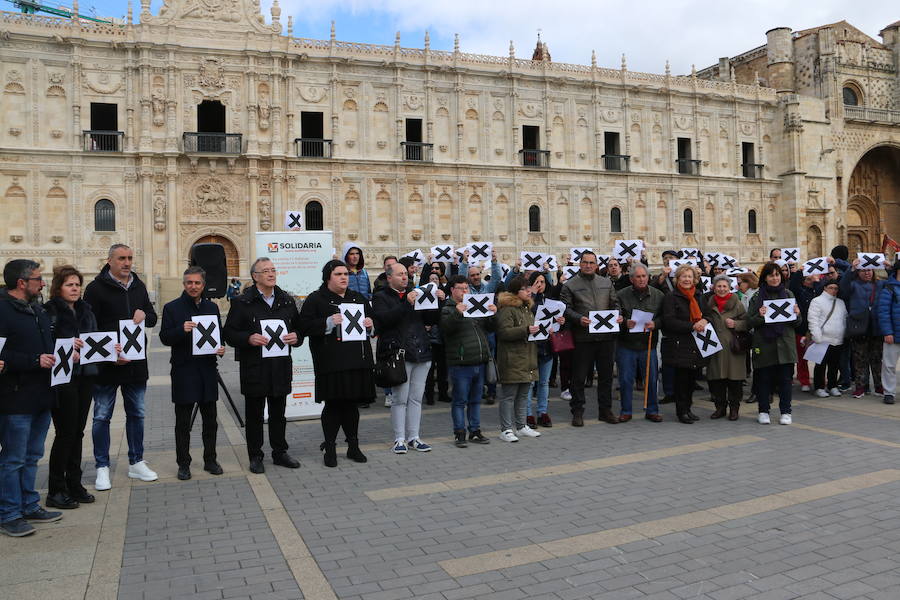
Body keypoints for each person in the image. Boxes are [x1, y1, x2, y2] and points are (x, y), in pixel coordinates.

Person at [84, 244, 158, 490]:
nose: (127, 263)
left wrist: (144, 314)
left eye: (129, 258)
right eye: (121, 259)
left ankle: (136, 462)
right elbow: (89, 328)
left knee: (137, 414)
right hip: (108, 365)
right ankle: (102, 467)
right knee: (101, 416)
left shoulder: (139, 285)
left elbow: (152, 315)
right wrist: (107, 354)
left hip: (135, 365)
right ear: (110, 261)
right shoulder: (95, 289)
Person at [0, 259, 62, 537]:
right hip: (15, 397)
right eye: (38, 279)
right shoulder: (2, 311)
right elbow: (2, 356)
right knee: (13, 458)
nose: (43, 283)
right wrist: (34, 360)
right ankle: (9, 513)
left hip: (41, 395)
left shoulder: (36, 309)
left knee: (33, 455)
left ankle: (29, 504)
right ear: (22, 283)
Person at [223, 257, 302, 474]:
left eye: (273, 270)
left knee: (279, 413)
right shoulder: (243, 302)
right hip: (255, 368)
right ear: (255, 277)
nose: (271, 274)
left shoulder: (286, 301)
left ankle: (280, 452)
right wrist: (248, 338)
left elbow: (299, 329)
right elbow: (229, 333)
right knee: (255, 415)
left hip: (280, 366)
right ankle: (255, 455)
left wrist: (297, 337)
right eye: (266, 271)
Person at [297, 260, 375, 467]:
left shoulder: (357, 298)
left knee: (351, 405)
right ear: (328, 277)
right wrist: (327, 322)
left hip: (357, 360)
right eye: (338, 274)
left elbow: (372, 321)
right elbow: (303, 326)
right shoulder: (316, 299)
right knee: (333, 405)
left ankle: (353, 446)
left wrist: (371, 324)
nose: (343, 278)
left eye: (346, 274)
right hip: (330, 361)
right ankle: (330, 448)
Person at [159, 266, 226, 481]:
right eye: (189, 282)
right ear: (184, 284)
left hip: (207, 369)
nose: (193, 286)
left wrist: (221, 347)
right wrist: (181, 329)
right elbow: (164, 337)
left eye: (197, 283)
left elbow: (218, 335)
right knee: (183, 422)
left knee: (210, 420)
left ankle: (210, 459)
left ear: (203, 285)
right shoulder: (172, 308)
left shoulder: (212, 308)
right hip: (184, 370)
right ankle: (183, 463)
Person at [43, 265, 100, 509]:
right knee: (65, 433)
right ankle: (56, 489)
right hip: (62, 379)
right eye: (69, 284)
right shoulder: (49, 312)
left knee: (78, 432)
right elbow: (44, 344)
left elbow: (95, 338)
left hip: (85, 376)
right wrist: (67, 349)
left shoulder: (86, 310)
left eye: (77, 284)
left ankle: (74, 483)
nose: (75, 288)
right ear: (59, 287)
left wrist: (108, 349)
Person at [372, 262, 444, 454]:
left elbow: (430, 320)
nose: (405, 277)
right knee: (400, 398)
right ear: (389, 278)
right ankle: (399, 439)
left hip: (421, 350)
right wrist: (406, 303)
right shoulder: (381, 296)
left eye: (406, 274)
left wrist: (438, 301)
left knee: (415, 398)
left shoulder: (416, 292)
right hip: (399, 353)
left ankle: (414, 437)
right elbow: (385, 320)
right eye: (400, 274)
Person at [560, 250, 622, 426]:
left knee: (606, 376)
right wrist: (578, 319)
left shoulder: (606, 282)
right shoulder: (570, 285)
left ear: (596, 265)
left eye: (591, 263)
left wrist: (618, 315)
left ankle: (605, 410)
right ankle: (577, 411)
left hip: (606, 337)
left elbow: (615, 303)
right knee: (578, 377)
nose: (588, 265)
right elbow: (565, 308)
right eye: (585, 262)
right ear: (580, 264)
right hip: (582, 338)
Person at [441, 275, 495, 448]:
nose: (465, 291)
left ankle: (475, 431)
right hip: (461, 362)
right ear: (452, 290)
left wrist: (493, 314)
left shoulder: (474, 306)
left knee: (475, 400)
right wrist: (458, 312)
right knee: (459, 400)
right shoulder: (448, 308)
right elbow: (447, 328)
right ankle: (459, 433)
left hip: (479, 360)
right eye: (461, 288)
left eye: (467, 288)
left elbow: (490, 328)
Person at [746, 262, 803, 424]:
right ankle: (763, 410)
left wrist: (797, 314)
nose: (775, 278)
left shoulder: (788, 293)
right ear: (765, 278)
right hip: (764, 344)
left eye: (777, 274)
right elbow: (749, 322)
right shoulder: (757, 297)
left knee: (786, 380)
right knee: (763, 380)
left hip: (785, 344)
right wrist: (760, 315)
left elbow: (797, 323)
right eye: (771, 275)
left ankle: (786, 411)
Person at [616, 263, 665, 422]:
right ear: (631, 279)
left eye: (644, 276)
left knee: (651, 379)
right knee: (625, 379)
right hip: (626, 345)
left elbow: (665, 317)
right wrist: (625, 323)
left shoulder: (659, 295)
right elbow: (616, 316)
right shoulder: (621, 295)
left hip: (648, 345)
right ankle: (626, 410)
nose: (641, 279)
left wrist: (655, 324)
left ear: (648, 277)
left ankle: (652, 410)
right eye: (638, 276)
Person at [660, 265, 709, 424]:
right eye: (684, 276)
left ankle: (688, 408)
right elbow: (669, 321)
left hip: (696, 343)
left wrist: (704, 320)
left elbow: (708, 314)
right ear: (678, 279)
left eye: (690, 276)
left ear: (694, 279)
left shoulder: (699, 295)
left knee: (691, 380)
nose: (687, 279)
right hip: (680, 343)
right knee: (681, 380)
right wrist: (691, 326)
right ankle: (681, 411)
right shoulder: (671, 297)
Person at [496, 276, 540, 442]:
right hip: (512, 358)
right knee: (508, 396)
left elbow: (531, 330)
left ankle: (521, 426)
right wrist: (526, 330)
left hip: (527, 357)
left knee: (523, 395)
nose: (528, 291)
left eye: (528, 288)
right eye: (524, 289)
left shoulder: (526, 308)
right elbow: (504, 332)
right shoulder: (508, 309)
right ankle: (506, 429)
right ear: (515, 292)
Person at [705, 274, 749, 421]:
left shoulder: (737, 303)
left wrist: (736, 324)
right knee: (717, 381)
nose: (722, 289)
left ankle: (734, 409)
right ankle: (720, 408)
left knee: (734, 381)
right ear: (714, 287)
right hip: (715, 348)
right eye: (719, 286)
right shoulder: (709, 303)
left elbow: (747, 323)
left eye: (724, 286)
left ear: (729, 288)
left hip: (733, 349)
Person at [840, 257, 885, 398]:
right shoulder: (853, 285)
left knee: (877, 359)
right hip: (859, 327)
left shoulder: (880, 284)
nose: (867, 273)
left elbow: (895, 283)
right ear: (858, 272)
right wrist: (850, 269)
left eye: (870, 270)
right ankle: (860, 387)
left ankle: (879, 386)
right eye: (864, 270)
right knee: (860, 359)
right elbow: (843, 288)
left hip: (876, 327)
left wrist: (890, 268)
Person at [525, 271, 564, 428]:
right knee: (530, 383)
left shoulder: (551, 302)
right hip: (532, 347)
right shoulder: (526, 301)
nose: (540, 284)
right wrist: (531, 295)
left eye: (542, 281)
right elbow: (525, 315)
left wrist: (561, 321)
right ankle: (528, 414)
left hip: (547, 346)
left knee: (544, 382)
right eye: (537, 281)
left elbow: (555, 322)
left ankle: (542, 412)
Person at [807, 279, 847, 398]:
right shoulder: (817, 301)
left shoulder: (840, 302)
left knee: (834, 365)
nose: (833, 290)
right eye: (831, 288)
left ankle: (832, 386)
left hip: (837, 339)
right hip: (823, 339)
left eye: (835, 288)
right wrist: (817, 336)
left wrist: (843, 333)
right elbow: (813, 319)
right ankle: (819, 387)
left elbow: (844, 318)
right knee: (820, 365)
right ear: (825, 288)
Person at [424, 272, 450, 405]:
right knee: (429, 369)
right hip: (429, 338)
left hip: (442, 338)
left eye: (436, 279)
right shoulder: (424, 297)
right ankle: (429, 395)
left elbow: (445, 315)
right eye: (431, 279)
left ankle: (443, 393)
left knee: (442, 368)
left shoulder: (444, 297)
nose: (434, 281)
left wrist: (443, 299)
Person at [877, 259, 899, 405]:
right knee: (889, 365)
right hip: (893, 334)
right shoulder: (889, 288)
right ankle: (889, 392)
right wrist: (887, 332)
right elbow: (883, 312)